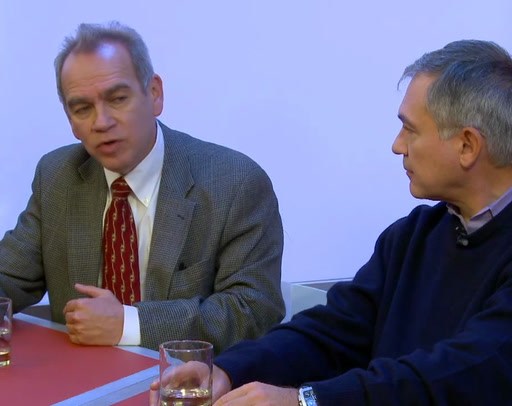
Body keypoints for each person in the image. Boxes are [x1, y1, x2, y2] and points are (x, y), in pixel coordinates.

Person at [150, 39, 512, 404]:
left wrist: (307, 400)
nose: (397, 145)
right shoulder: (413, 235)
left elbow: (462, 373)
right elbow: (331, 332)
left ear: (467, 145)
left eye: (410, 130)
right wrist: (230, 370)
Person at [0, 21, 285, 352]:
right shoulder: (57, 176)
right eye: (82, 109)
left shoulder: (234, 182)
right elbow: (9, 277)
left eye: (118, 99)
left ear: (154, 94)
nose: (102, 122)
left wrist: (129, 323)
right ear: (70, 120)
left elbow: (254, 310)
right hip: (79, 378)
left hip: (188, 378)